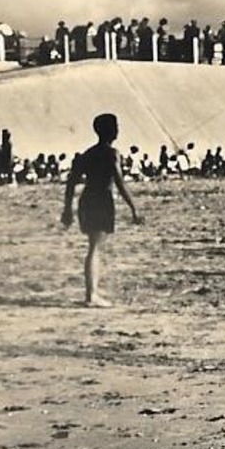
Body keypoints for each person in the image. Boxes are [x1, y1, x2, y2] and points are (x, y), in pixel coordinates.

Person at [61, 113, 142, 307]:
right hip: (102, 200)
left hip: (87, 199)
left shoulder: (88, 153)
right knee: (95, 248)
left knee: (93, 246)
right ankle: (92, 295)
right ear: (110, 130)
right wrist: (134, 208)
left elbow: (72, 181)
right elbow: (120, 183)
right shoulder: (112, 153)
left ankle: (92, 291)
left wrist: (67, 209)